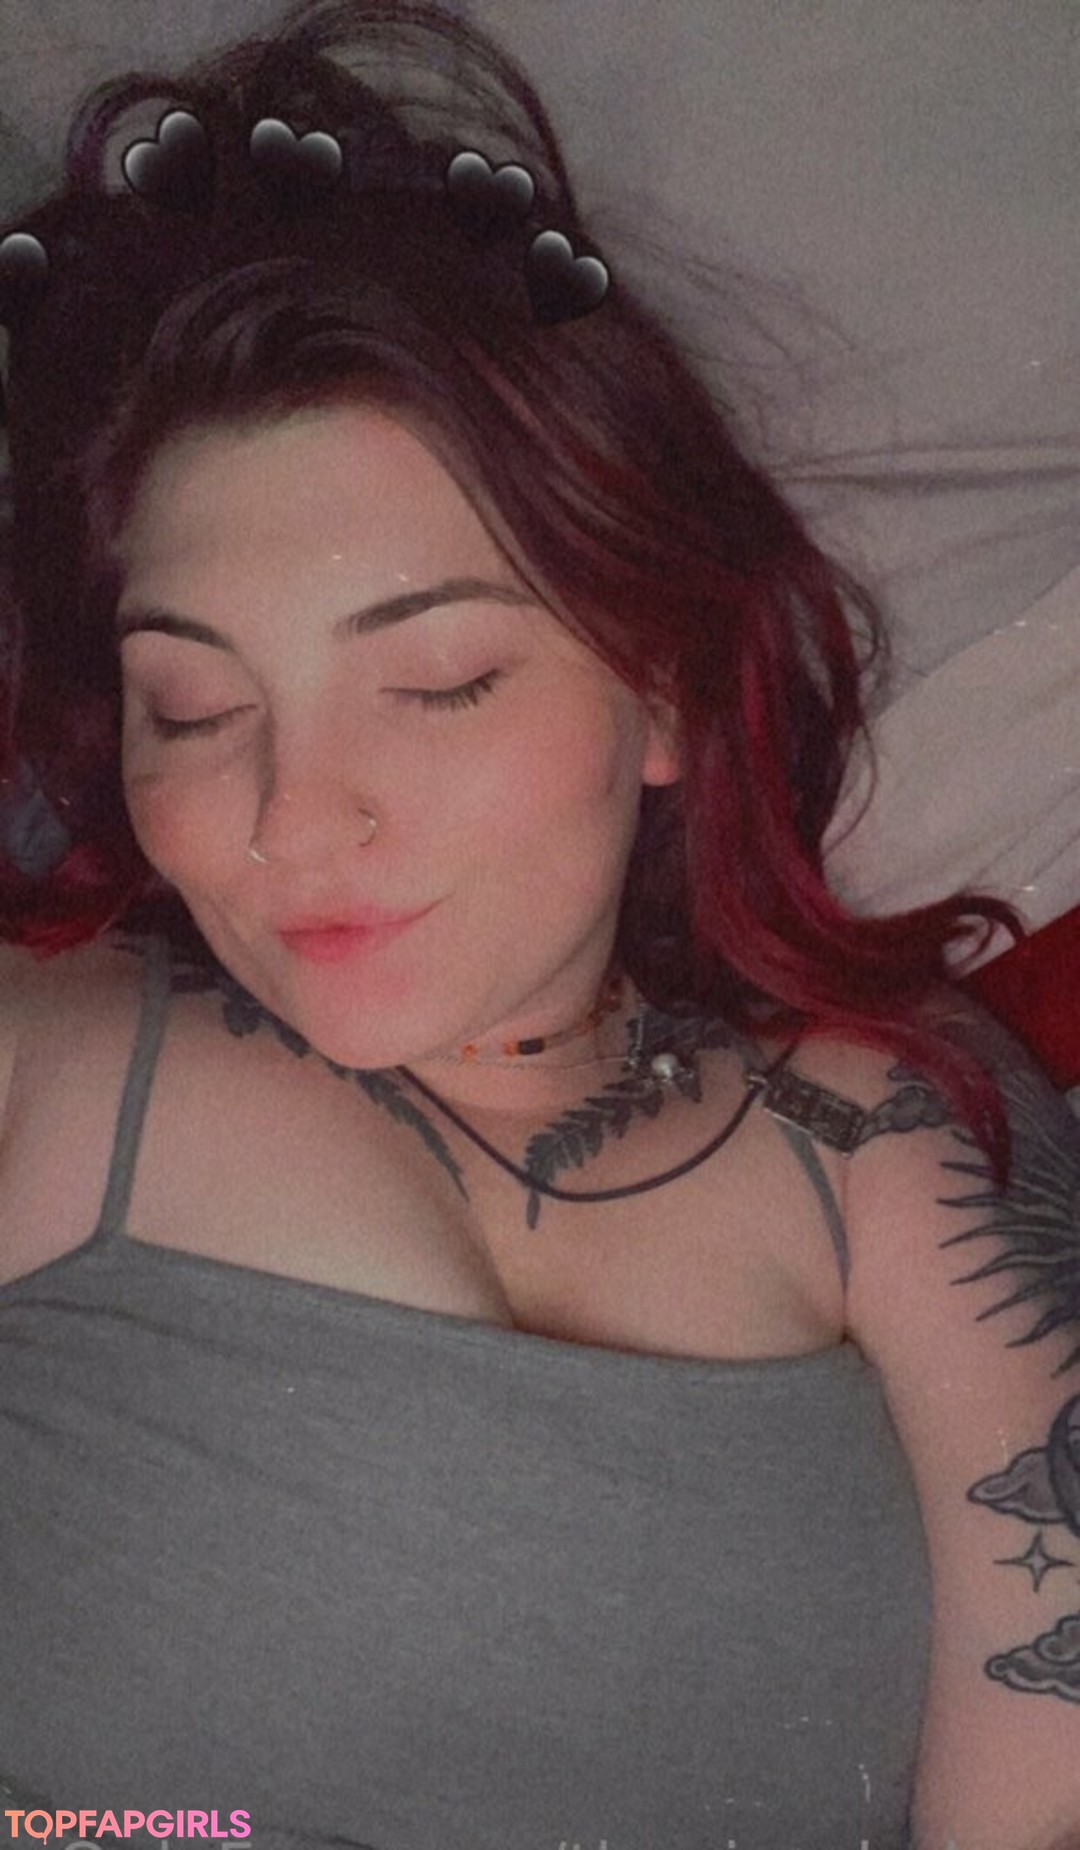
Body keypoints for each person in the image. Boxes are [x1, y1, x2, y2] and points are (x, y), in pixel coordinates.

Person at [0, 4, 1077, 1846]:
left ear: (663, 687)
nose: (293, 816)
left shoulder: (885, 1114)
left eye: (437, 679)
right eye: (197, 704)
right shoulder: (47, 1050)